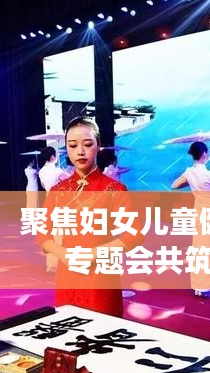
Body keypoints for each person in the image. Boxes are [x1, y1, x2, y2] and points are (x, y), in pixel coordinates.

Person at [37, 117, 140, 317]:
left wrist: (94, 253)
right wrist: (61, 252)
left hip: (100, 278)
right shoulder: (58, 191)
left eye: (87, 144)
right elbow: (42, 233)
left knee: (103, 330)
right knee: (68, 328)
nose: (80, 151)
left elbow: (134, 234)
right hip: (67, 277)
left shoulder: (114, 189)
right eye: (72, 145)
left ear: (98, 146)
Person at [171, 141, 210, 298]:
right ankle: (204, 289)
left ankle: (198, 287)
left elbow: (174, 185)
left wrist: (191, 183)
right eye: (207, 152)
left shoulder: (189, 172)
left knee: (199, 250)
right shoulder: (209, 174)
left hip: (199, 215)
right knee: (209, 251)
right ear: (204, 154)